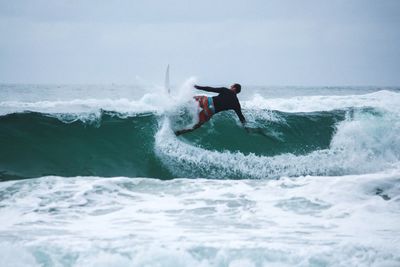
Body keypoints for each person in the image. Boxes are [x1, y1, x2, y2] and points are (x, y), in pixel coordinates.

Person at [175, 83, 246, 136]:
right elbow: (241, 117)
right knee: (196, 126)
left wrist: (197, 87)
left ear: (234, 88)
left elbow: (210, 89)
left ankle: (175, 102)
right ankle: (179, 132)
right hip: (210, 112)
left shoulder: (225, 90)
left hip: (207, 102)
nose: (230, 87)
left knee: (193, 98)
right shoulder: (236, 103)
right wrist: (246, 127)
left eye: (231, 86)